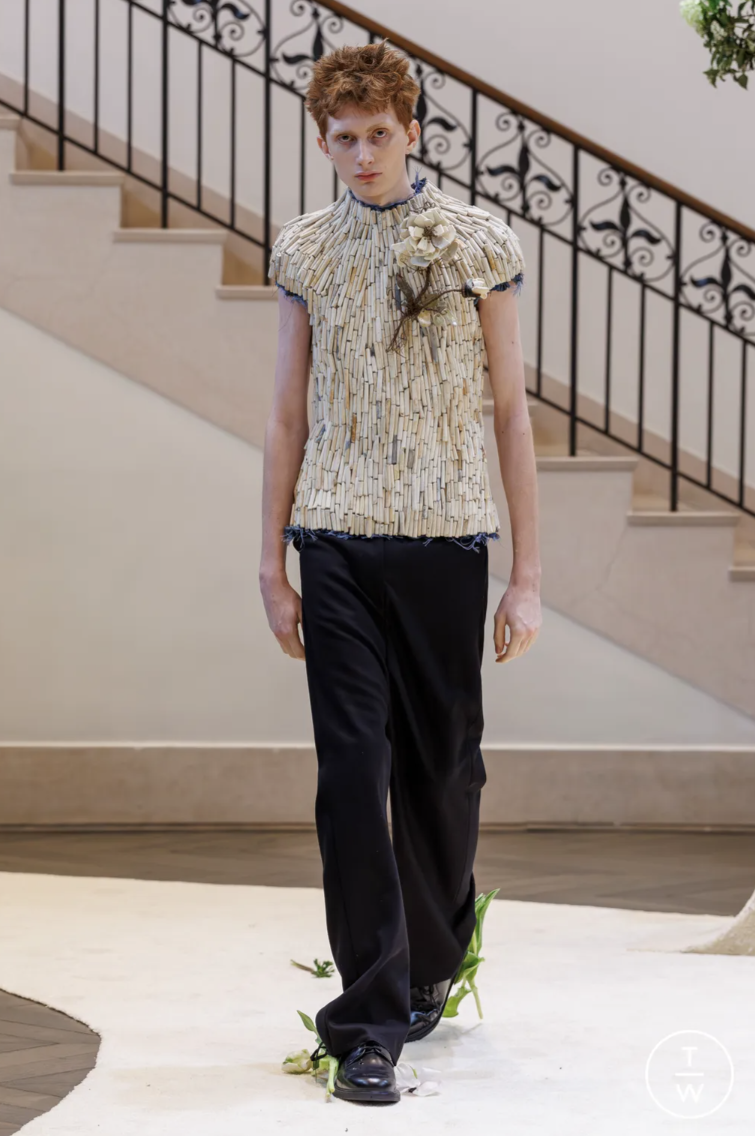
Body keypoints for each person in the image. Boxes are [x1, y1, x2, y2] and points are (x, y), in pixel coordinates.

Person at [259, 38, 542, 1106]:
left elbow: (510, 412)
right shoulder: (304, 250)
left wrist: (525, 575)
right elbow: (285, 415)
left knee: (443, 771)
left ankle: (428, 959)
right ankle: (366, 1022)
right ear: (322, 143)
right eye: (344, 138)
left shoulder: (477, 242)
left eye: (379, 133)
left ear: (411, 131)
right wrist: (270, 566)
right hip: (333, 539)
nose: (364, 153)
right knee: (349, 776)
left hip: (447, 542)